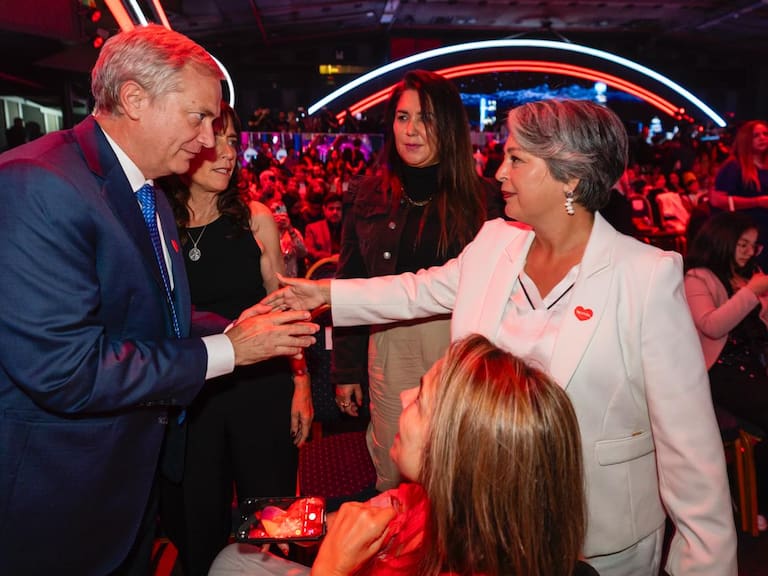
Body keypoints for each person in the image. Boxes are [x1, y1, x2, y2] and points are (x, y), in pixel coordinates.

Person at [265, 99, 737, 575]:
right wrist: (323, 294)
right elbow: (417, 290)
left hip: (599, 537)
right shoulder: (495, 243)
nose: (498, 171)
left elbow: (691, 454)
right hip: (487, 531)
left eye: (515, 159)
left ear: (569, 177)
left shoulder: (646, 276)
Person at [0, 25, 318, 576]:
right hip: (60, 496)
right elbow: (65, 370)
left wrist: (233, 328)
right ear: (134, 99)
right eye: (198, 117)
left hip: (124, 479)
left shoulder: (145, 192)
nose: (207, 139)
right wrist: (228, 351)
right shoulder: (38, 185)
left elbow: (148, 315)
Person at [209, 334, 597, 576]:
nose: (403, 396)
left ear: (455, 452)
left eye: (422, 401)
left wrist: (332, 567)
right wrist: (314, 523)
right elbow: (373, 512)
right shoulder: (442, 505)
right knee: (233, 558)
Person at [157, 102, 313, 576]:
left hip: (262, 388)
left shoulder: (254, 217)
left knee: (276, 523)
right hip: (194, 393)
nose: (228, 154)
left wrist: (301, 382)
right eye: (217, 141)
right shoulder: (158, 222)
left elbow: (285, 308)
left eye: (233, 142)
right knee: (195, 522)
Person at [329, 69, 503, 492]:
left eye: (424, 119)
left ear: (448, 126)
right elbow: (351, 279)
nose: (411, 131)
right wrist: (346, 367)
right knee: (396, 468)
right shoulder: (368, 193)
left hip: (463, 347)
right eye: (402, 117)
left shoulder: (484, 199)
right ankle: (397, 558)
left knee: (461, 471)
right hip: (392, 343)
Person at [684, 211, 768, 528]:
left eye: (754, 246)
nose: (750, 252)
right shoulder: (698, 277)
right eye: (743, 244)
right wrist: (750, 293)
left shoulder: (751, 275)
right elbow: (713, 326)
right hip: (720, 369)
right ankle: (754, 497)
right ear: (724, 241)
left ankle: (755, 492)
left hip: (756, 362)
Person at [711, 120, 768, 268]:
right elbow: (717, 200)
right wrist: (757, 201)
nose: (762, 138)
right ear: (746, 139)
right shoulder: (734, 167)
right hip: (746, 233)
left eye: (765, 134)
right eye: (756, 135)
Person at [303, 191, 343, 265]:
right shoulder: (312, 228)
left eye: (338, 209)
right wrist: (331, 257)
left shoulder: (348, 229)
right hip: (322, 269)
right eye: (331, 209)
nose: (335, 212)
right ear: (324, 209)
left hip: (344, 269)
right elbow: (309, 251)